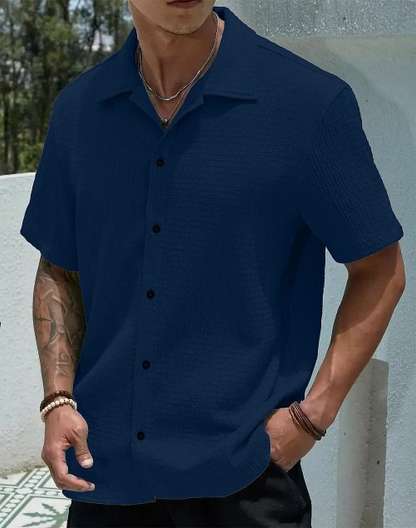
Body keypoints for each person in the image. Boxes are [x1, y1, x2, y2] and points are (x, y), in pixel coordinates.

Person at [20, 1, 406, 527]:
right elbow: (59, 268)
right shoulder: (80, 112)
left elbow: (380, 270)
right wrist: (58, 399)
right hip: (105, 481)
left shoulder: (308, 104)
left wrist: (313, 415)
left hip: (246, 483)